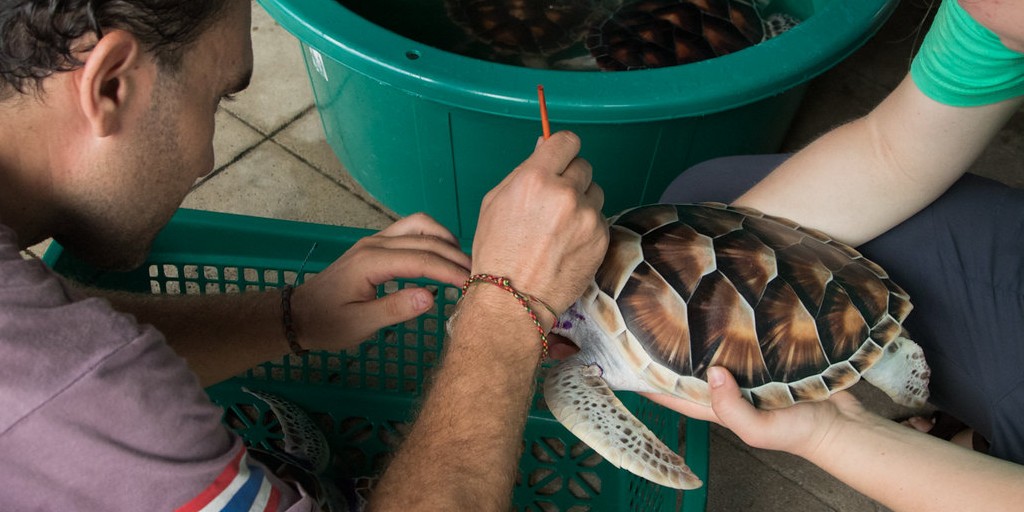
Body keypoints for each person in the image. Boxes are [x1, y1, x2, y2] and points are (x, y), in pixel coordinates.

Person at [0, 1, 607, 510]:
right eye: (217, 99)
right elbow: (75, 378)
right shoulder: (75, 399)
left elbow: (69, 347)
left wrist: (297, 317)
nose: (206, 160)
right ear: (111, 85)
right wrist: (508, 307)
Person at [649, 0, 1024, 510]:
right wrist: (706, 265)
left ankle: (988, 448)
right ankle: (980, 438)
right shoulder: (995, 11)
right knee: (706, 207)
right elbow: (890, 151)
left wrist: (831, 435)